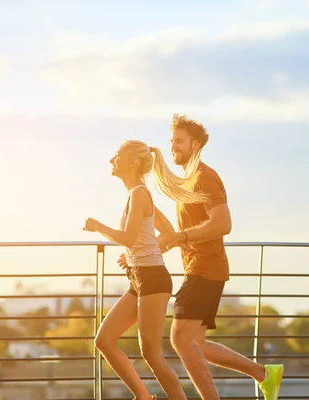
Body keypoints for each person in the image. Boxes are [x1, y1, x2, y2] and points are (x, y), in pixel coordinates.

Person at [155, 114, 284, 400]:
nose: (173, 146)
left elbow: (222, 224)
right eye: (171, 141)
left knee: (180, 339)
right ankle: (264, 374)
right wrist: (170, 242)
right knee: (196, 343)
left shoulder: (205, 178)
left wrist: (183, 237)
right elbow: (190, 228)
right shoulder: (188, 182)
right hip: (201, 267)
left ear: (196, 145)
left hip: (205, 269)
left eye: (179, 141)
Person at [83, 140, 206, 400]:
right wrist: (137, 255)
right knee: (104, 340)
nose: (111, 161)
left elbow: (128, 237)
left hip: (152, 279)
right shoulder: (136, 194)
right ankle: (143, 397)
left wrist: (98, 227)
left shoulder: (139, 193)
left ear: (132, 162)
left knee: (151, 353)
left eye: (116, 156)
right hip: (139, 278)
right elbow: (168, 233)